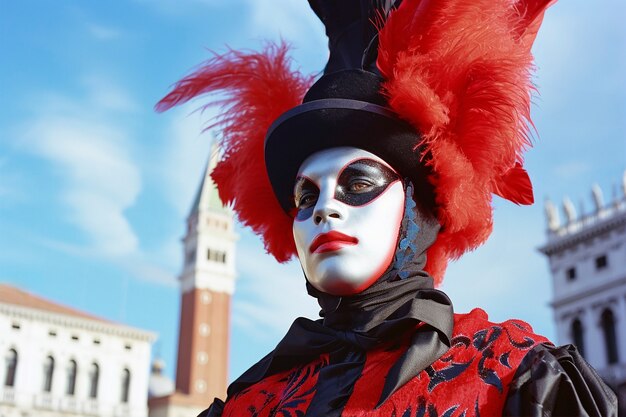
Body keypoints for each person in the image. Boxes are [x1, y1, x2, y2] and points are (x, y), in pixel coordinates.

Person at [157, 0, 618, 415]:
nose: (324, 210)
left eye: (357, 183)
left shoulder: (519, 380)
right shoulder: (246, 404)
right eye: (305, 196)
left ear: (419, 207)